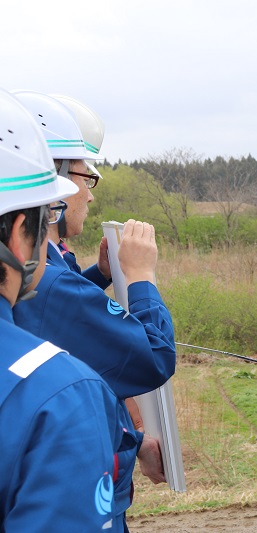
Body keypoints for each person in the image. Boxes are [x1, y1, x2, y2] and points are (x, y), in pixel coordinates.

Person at [11, 90, 176, 532]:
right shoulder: (47, 278)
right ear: (52, 182)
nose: (88, 194)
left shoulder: (46, 271)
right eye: (86, 177)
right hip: (85, 491)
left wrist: (98, 275)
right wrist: (140, 278)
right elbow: (153, 357)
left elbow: (51, 318)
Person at [0, 87, 123, 531]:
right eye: (43, 213)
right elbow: (151, 359)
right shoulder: (60, 394)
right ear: (18, 232)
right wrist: (142, 282)